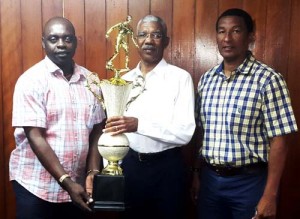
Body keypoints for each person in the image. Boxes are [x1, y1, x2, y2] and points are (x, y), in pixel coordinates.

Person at [191, 8, 298, 219]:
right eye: (221, 31)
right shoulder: (206, 80)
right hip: (210, 181)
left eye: (236, 31)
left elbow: (280, 140)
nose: (227, 38)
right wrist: (196, 174)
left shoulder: (268, 79)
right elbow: (200, 133)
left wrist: (270, 195)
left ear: (250, 36)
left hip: (250, 183)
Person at [9, 17, 106, 219]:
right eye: (54, 39)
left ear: (76, 42)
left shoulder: (92, 81)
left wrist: (93, 173)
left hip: (78, 188)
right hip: (36, 186)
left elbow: (97, 131)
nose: (61, 44)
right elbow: (35, 137)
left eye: (67, 38)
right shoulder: (31, 81)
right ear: (43, 42)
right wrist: (66, 182)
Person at [104, 15, 196, 219]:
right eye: (143, 35)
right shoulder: (123, 80)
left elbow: (185, 133)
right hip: (130, 167)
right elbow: (113, 129)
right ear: (136, 41)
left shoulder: (180, 78)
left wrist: (138, 125)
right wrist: (107, 168)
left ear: (166, 41)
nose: (149, 40)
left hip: (167, 169)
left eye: (156, 35)